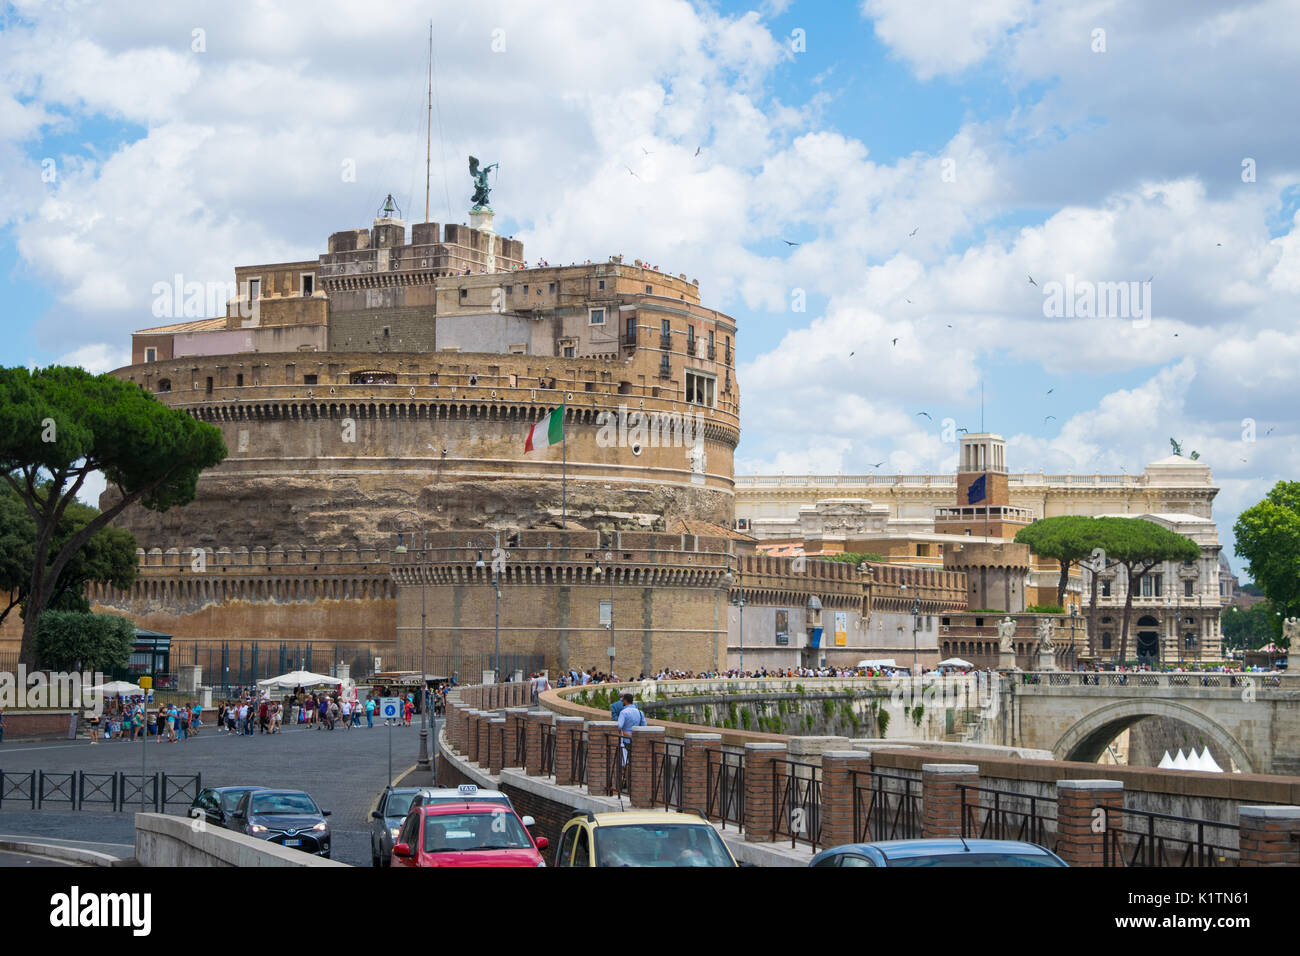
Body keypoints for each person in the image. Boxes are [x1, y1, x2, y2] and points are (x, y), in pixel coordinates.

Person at [615, 693, 645, 765]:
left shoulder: (624, 712)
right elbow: (644, 726)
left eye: (622, 701)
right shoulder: (640, 712)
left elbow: (619, 726)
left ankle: (625, 775)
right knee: (634, 761)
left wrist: (625, 733)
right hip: (636, 740)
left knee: (625, 761)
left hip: (625, 740)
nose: (622, 702)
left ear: (625, 701)